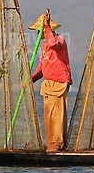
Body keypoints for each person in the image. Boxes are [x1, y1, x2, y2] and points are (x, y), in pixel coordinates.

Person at [29, 9, 73, 152]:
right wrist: (31, 80)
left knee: (57, 115)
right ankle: (51, 145)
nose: (39, 34)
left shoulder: (59, 39)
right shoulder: (44, 46)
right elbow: (42, 67)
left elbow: (53, 44)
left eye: (40, 31)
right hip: (48, 85)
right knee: (49, 117)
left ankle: (57, 145)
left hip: (59, 83)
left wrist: (47, 26)